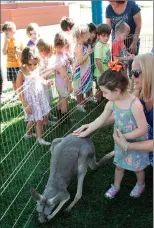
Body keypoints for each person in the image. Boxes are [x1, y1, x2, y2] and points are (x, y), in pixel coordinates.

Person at [73, 60, 150, 199]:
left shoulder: (134, 104)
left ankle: (140, 184)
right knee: (119, 165)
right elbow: (100, 120)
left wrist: (125, 137)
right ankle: (116, 185)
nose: (103, 95)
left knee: (138, 168)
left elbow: (143, 129)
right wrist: (87, 130)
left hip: (135, 142)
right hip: (120, 140)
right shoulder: (112, 103)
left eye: (105, 92)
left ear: (117, 90)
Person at [114, 53, 153, 166]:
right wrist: (92, 126)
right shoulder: (142, 93)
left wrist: (127, 145)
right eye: (131, 73)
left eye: (136, 73)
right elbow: (120, 112)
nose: (132, 77)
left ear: (149, 73)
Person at [16, 47, 52, 146]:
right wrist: (25, 104)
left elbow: (39, 79)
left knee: (39, 119)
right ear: (24, 61)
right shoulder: (21, 73)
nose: (33, 67)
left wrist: (46, 82)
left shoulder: (35, 70)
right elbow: (18, 91)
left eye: (35, 64)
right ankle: (28, 133)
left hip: (39, 97)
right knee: (31, 119)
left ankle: (39, 138)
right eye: (30, 64)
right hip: (30, 101)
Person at [36, 38, 57, 124]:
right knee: (45, 102)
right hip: (41, 86)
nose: (52, 53)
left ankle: (49, 114)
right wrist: (51, 70)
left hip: (46, 84)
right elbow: (40, 77)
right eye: (50, 52)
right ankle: (45, 121)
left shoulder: (44, 58)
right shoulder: (38, 61)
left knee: (48, 100)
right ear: (44, 51)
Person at [53, 32, 73, 123]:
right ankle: (65, 120)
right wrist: (70, 86)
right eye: (66, 46)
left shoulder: (61, 55)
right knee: (65, 101)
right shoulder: (60, 59)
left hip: (60, 82)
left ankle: (59, 117)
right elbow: (64, 75)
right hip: (63, 83)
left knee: (61, 98)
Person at [72, 24, 92, 112]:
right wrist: (87, 53)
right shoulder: (79, 48)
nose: (88, 35)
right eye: (87, 33)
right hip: (80, 72)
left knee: (83, 86)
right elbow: (80, 62)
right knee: (79, 87)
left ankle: (83, 101)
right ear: (82, 35)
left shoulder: (82, 45)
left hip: (84, 70)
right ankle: (79, 104)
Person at [2, 21, 24, 98]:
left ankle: (21, 93)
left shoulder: (18, 41)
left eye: (7, 33)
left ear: (13, 32)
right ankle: (16, 93)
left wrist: (18, 51)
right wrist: (5, 43)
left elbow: (23, 52)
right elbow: (4, 52)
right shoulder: (6, 42)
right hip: (10, 65)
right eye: (5, 34)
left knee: (20, 80)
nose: (6, 35)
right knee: (13, 81)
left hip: (18, 64)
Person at [94, 24, 111, 103]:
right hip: (101, 72)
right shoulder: (98, 46)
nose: (106, 38)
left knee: (105, 86)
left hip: (106, 70)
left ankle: (103, 99)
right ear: (98, 35)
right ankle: (98, 101)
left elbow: (108, 57)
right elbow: (98, 60)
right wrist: (102, 72)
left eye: (107, 36)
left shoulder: (106, 45)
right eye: (103, 36)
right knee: (101, 87)